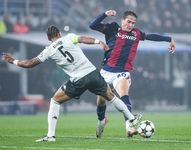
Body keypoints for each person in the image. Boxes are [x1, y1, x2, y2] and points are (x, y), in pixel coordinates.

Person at [2, 25, 141, 142]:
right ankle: (131, 118)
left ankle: (51, 135)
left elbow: (30, 63)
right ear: (59, 33)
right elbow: (82, 39)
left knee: (55, 101)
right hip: (92, 73)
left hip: (78, 79)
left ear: (48, 38)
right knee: (111, 96)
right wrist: (98, 41)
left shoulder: (48, 50)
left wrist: (13, 61)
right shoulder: (68, 38)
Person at [89, 10, 176, 137]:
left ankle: (129, 127)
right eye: (128, 22)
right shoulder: (112, 28)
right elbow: (93, 26)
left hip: (122, 72)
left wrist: (169, 39)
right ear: (122, 21)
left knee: (124, 93)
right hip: (106, 72)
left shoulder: (136, 33)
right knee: (101, 101)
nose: (130, 25)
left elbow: (151, 36)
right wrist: (105, 14)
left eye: (133, 23)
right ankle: (101, 121)